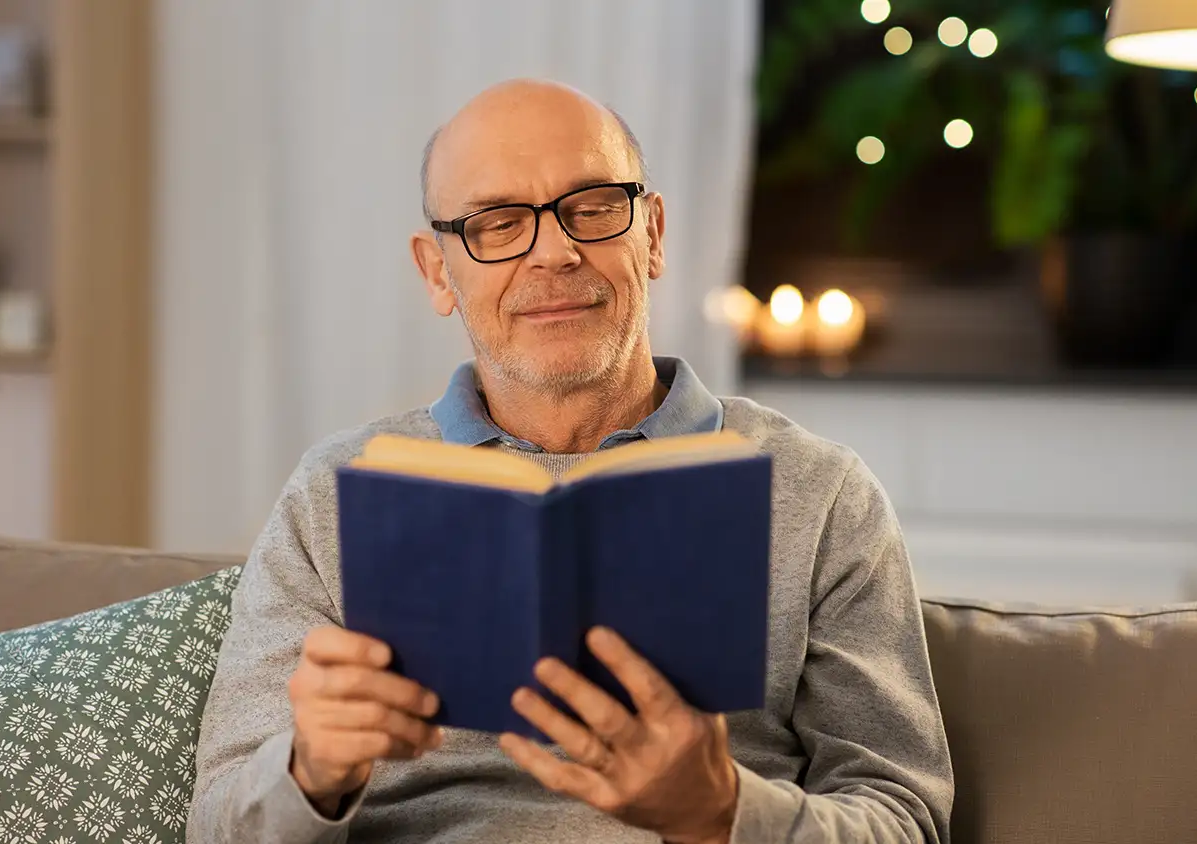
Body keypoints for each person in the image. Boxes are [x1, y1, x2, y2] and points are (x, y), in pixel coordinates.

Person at [188, 78, 953, 844]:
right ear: (436, 272)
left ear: (651, 234)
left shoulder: (821, 494)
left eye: (591, 208)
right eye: (497, 223)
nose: (554, 252)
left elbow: (905, 819)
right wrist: (312, 771)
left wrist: (720, 812)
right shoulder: (335, 494)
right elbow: (216, 825)